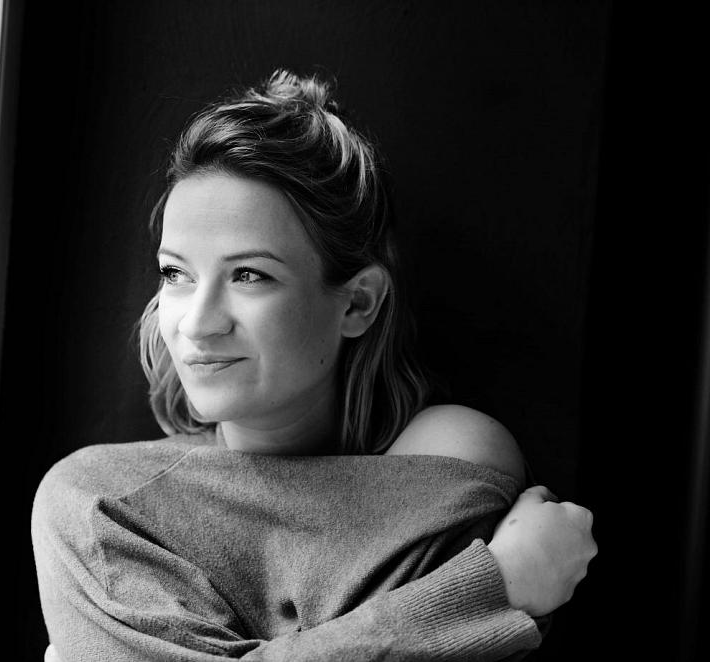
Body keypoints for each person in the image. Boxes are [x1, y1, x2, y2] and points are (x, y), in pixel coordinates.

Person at [32, 70, 597, 661]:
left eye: (248, 275)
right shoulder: (103, 503)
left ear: (357, 304)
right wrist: (491, 592)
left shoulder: (448, 457)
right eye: (176, 273)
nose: (197, 324)